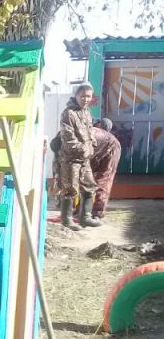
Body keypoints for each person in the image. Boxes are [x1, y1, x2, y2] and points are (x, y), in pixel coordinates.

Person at [58, 82, 102, 230]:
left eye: (88, 96)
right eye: (82, 96)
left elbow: (90, 131)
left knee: (90, 187)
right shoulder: (68, 113)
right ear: (76, 96)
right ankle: (67, 220)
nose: (85, 99)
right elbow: (68, 138)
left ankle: (85, 217)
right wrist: (83, 150)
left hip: (85, 159)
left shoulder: (86, 112)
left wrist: (92, 144)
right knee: (70, 189)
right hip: (71, 159)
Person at [90, 118, 122, 219]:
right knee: (86, 179)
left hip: (111, 148)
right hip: (96, 150)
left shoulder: (89, 133)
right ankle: (84, 209)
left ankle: (97, 212)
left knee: (103, 180)